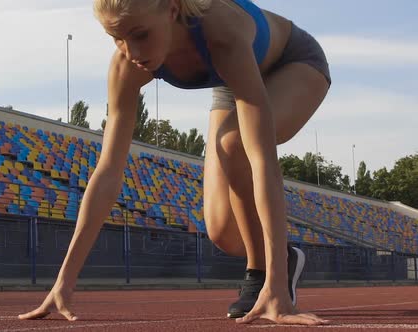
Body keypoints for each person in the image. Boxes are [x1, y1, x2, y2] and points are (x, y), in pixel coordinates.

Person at [19, 0, 331, 325]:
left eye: (140, 34)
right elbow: (108, 170)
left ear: (171, 10)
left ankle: (264, 272)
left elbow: (262, 159)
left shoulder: (221, 32)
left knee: (235, 143)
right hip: (230, 79)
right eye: (116, 37)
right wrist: (64, 281)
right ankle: (285, 258)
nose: (131, 50)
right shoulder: (127, 63)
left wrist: (276, 287)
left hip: (292, 63)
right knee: (222, 231)